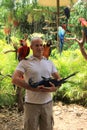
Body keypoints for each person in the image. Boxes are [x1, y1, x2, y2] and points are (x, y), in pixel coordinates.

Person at [12, 37, 61, 130]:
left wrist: (55, 88)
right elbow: (14, 79)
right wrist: (32, 88)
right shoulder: (25, 62)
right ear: (31, 47)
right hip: (31, 104)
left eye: (41, 45)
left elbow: (59, 79)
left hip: (48, 104)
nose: (40, 47)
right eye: (37, 45)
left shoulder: (49, 62)